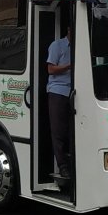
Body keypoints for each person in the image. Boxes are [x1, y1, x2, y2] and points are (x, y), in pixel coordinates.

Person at [47, 26, 72, 179]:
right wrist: (70, 65)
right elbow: (50, 69)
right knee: (58, 131)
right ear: (68, 29)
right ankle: (62, 166)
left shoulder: (82, 46)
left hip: (75, 92)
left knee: (72, 131)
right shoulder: (57, 45)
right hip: (58, 91)